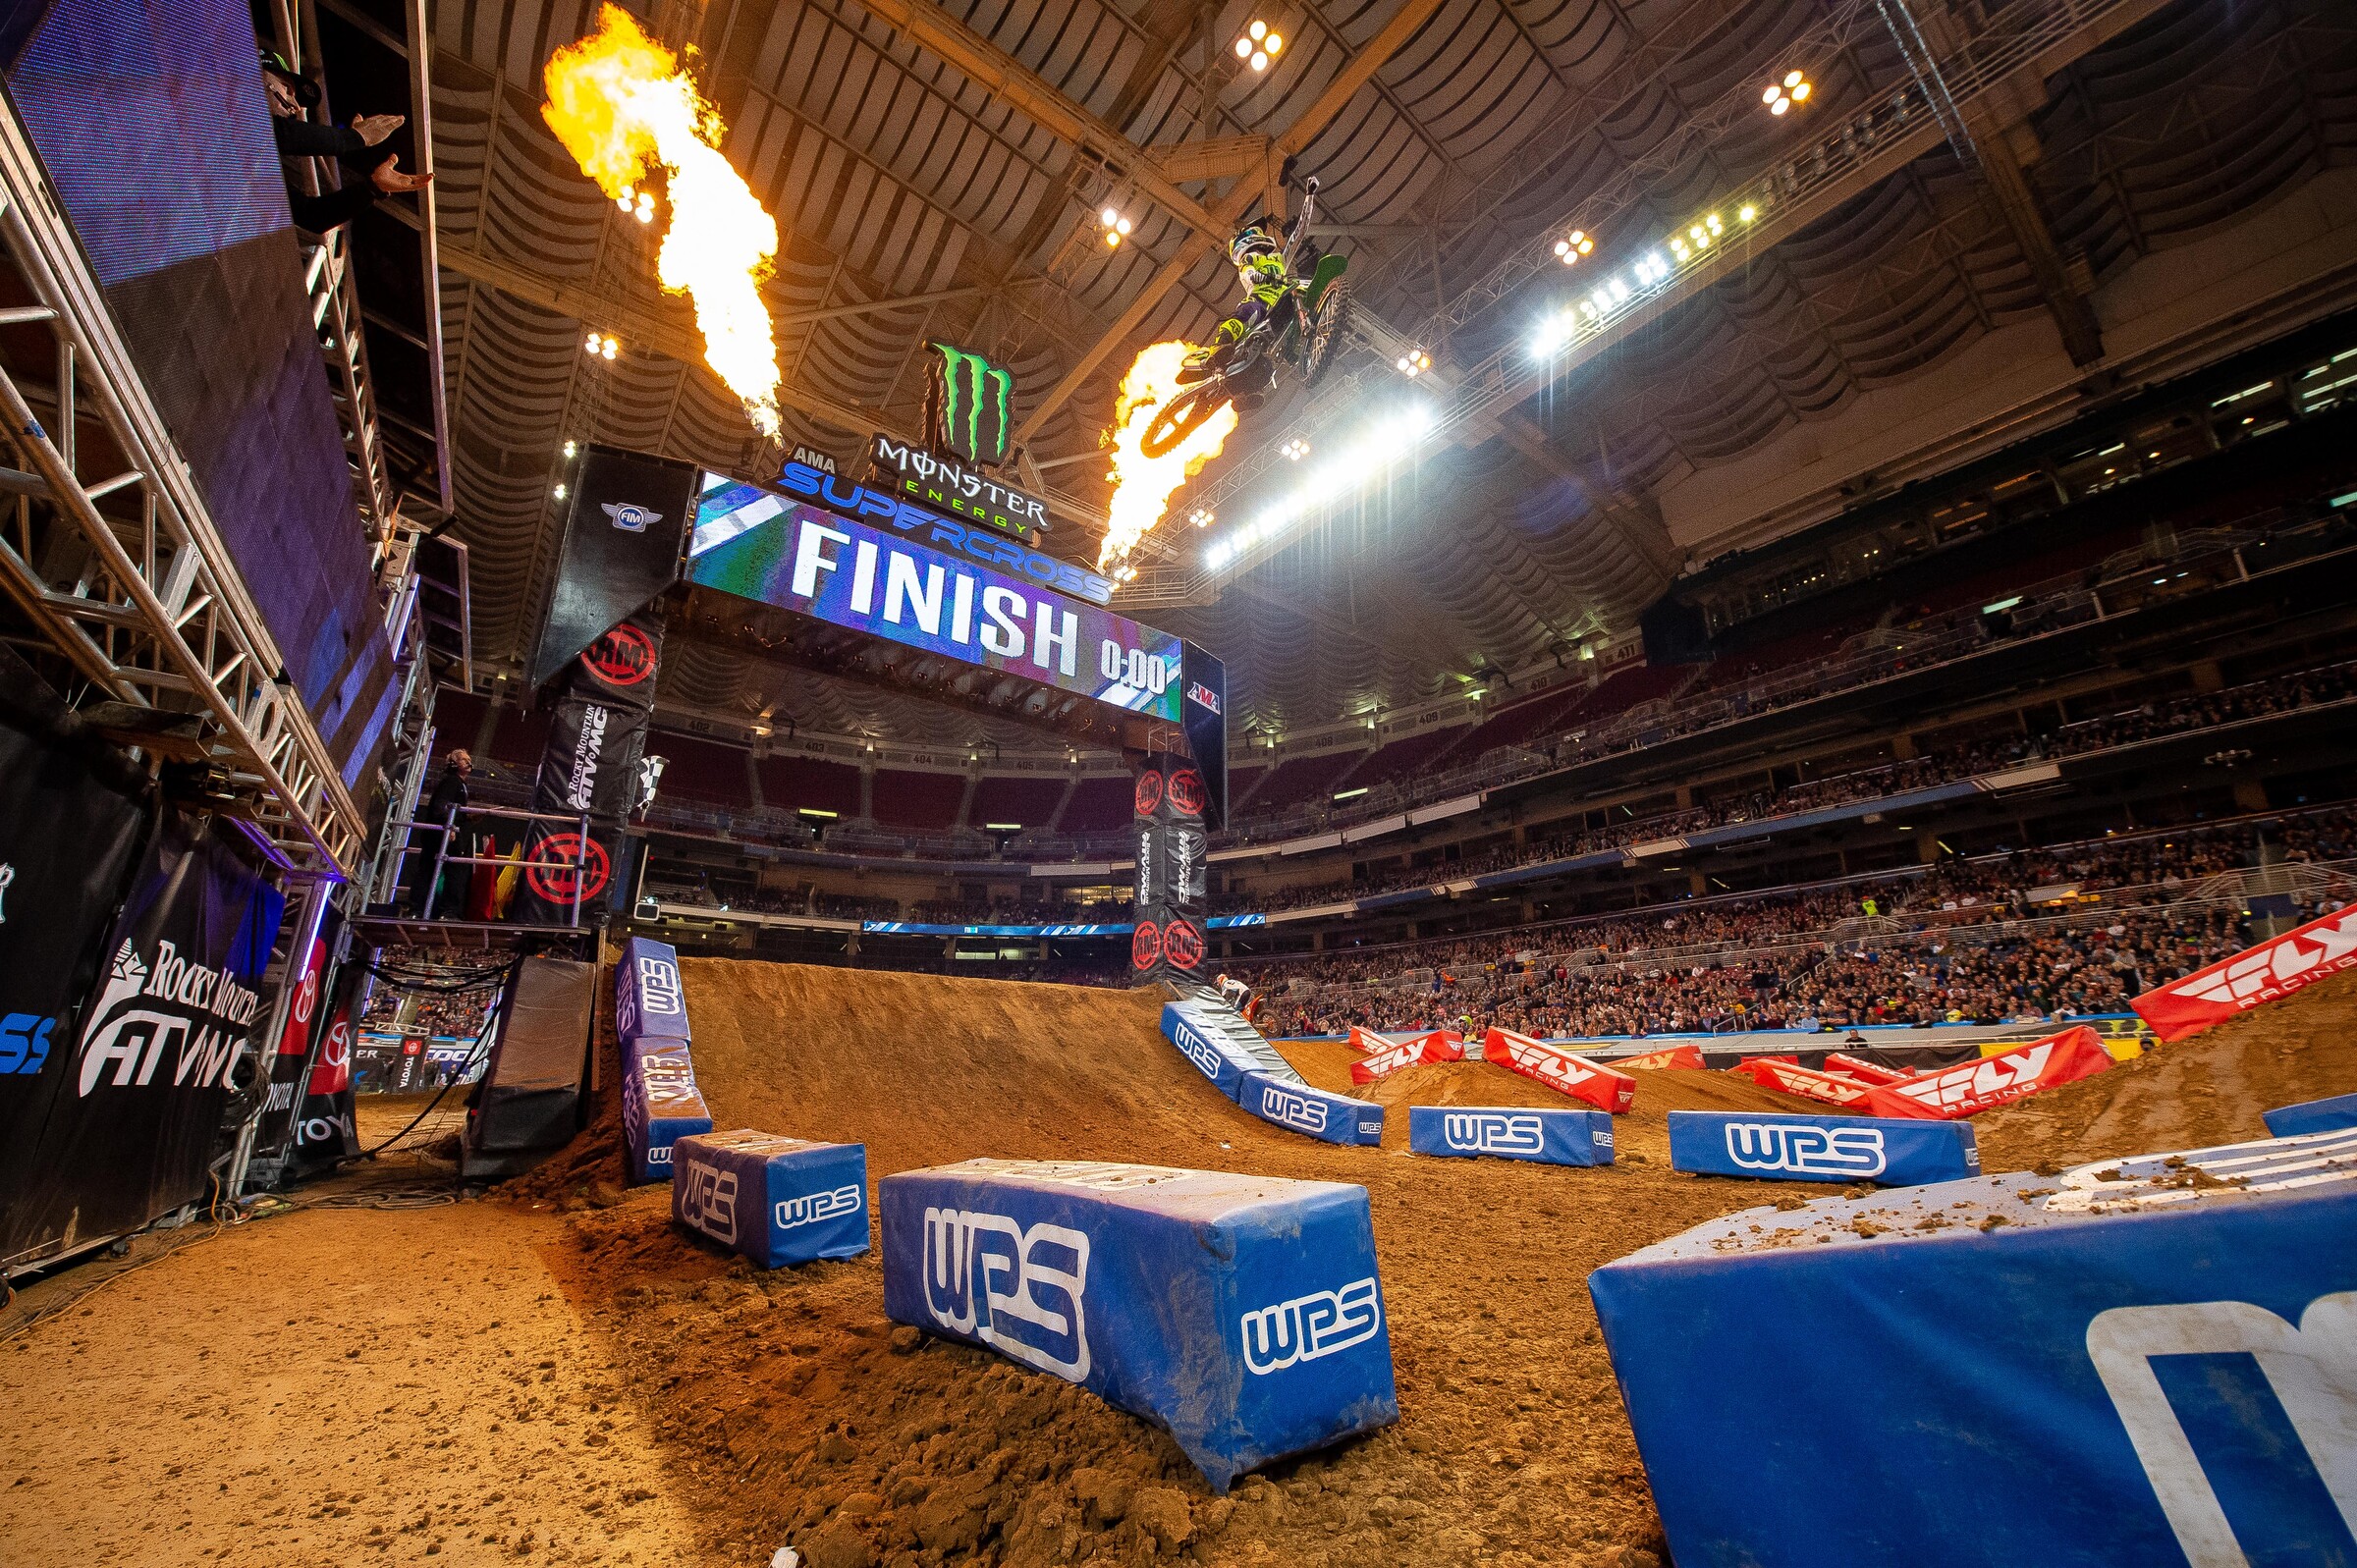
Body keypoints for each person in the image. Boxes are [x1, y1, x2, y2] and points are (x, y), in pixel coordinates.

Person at [261, 52, 431, 235]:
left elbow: (311, 215)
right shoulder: (243, 112)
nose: (294, 105)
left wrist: (373, 188)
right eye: (287, 88)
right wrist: (355, 137)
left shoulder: (255, 166)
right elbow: (276, 131)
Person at [1178, 215, 1307, 409]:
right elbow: (1247, 272)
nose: (1260, 235)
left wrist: (1306, 207)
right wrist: (1257, 275)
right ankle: (1219, 346)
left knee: (1271, 358)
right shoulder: (1249, 258)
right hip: (1260, 300)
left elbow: (1295, 242)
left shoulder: (1278, 259)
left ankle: (1249, 391)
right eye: (1255, 232)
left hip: (1279, 303)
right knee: (1249, 313)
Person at [405, 749, 471, 916]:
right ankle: (445, 911)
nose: (468, 762)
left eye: (468, 759)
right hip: (442, 834)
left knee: (434, 870)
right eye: (463, 760)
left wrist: (468, 817)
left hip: (446, 832)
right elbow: (441, 806)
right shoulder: (451, 781)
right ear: (454, 764)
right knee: (446, 871)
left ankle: (420, 909)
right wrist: (449, 826)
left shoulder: (460, 784)